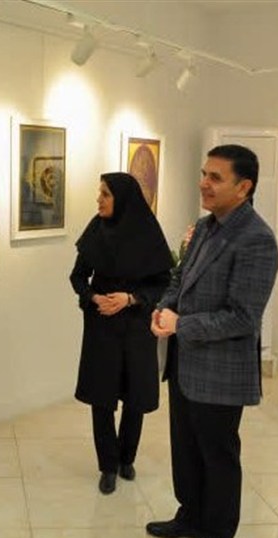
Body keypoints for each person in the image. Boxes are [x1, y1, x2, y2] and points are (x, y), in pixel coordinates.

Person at [146, 145, 278, 538]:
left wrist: (180, 325)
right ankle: (190, 515)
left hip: (220, 371)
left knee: (217, 455)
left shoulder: (257, 240)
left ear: (244, 187)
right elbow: (179, 279)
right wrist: (164, 308)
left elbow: (243, 317)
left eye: (215, 177)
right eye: (204, 174)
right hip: (185, 362)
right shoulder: (205, 227)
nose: (204, 183)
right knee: (185, 449)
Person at [70, 172, 172, 495]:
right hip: (102, 325)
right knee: (101, 396)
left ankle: (127, 457)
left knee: (135, 395)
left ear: (123, 199)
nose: (98, 199)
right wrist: (93, 297)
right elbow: (77, 277)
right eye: (99, 192)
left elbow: (162, 283)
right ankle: (108, 465)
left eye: (105, 194)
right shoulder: (96, 229)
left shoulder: (148, 232)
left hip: (137, 325)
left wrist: (131, 299)